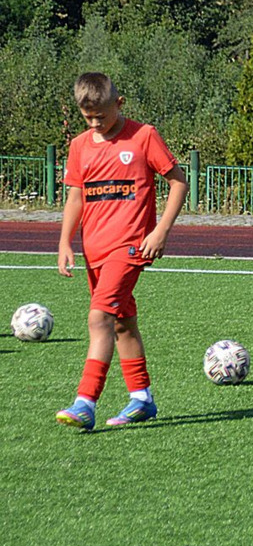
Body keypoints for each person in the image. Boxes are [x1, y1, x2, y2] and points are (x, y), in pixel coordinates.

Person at [55, 73, 188, 430]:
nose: (95, 123)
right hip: (94, 249)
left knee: (98, 318)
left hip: (130, 246)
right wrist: (65, 242)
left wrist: (160, 231)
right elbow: (76, 196)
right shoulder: (80, 146)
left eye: (101, 116)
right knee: (121, 324)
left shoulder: (143, 136)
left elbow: (178, 182)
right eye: (88, 117)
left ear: (119, 103)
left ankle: (85, 402)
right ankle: (141, 399)